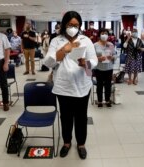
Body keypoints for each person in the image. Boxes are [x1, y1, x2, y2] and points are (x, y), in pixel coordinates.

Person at [44, 11, 98, 159]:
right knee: (65, 117)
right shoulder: (56, 40)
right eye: (70, 25)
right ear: (64, 25)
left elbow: (94, 61)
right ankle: (66, 142)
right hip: (63, 86)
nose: (73, 27)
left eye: (76, 25)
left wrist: (85, 63)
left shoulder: (86, 40)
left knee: (81, 117)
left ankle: (81, 144)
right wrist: (64, 49)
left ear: (80, 25)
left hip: (82, 85)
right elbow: (48, 62)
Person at [94, 28, 116, 108]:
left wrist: (112, 57)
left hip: (109, 68)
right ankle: (99, 101)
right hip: (99, 68)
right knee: (99, 85)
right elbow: (92, 57)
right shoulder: (95, 45)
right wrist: (98, 59)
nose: (104, 35)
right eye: (102, 33)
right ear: (99, 35)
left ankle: (107, 100)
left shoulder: (110, 45)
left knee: (108, 85)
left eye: (106, 33)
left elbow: (115, 55)